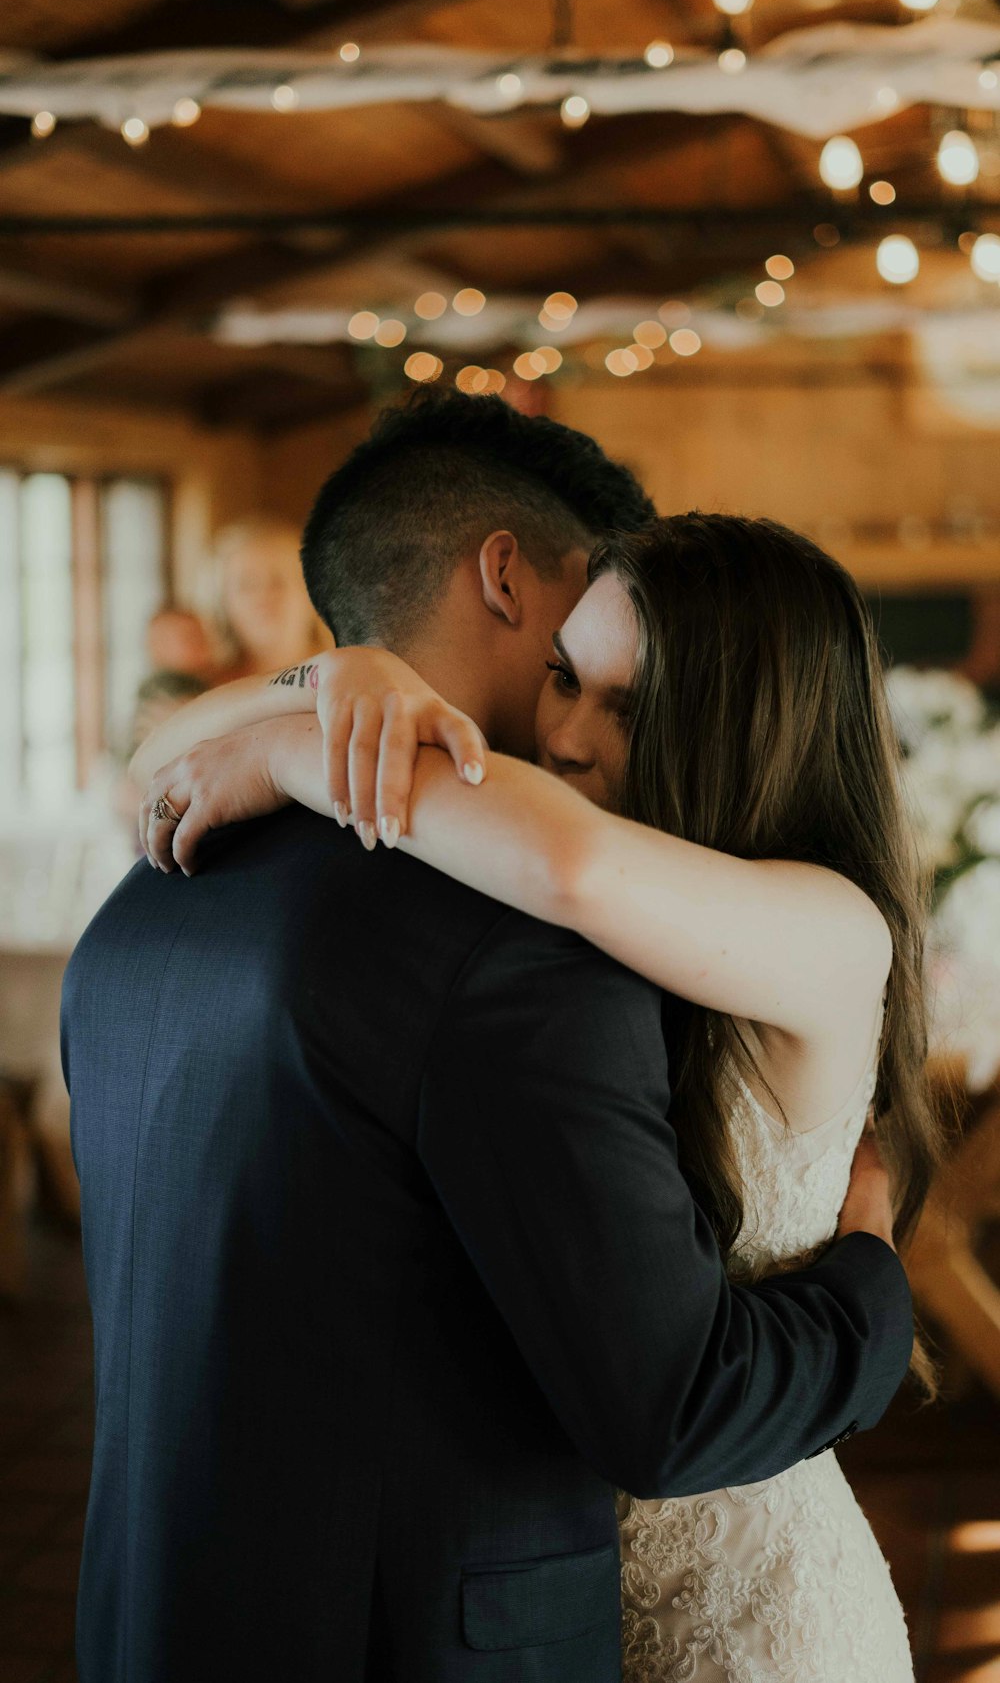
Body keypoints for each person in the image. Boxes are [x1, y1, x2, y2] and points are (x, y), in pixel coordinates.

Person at [66, 393, 914, 1683]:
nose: (565, 732)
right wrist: (319, 689)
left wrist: (302, 739)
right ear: (508, 581)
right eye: (566, 673)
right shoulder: (528, 930)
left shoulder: (145, 910)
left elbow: (568, 861)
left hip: (737, 1602)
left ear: (737, 726)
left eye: (624, 702)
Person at [211, 515, 325, 681]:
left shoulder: (352, 678)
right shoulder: (200, 689)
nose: (263, 595)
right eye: (246, 584)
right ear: (223, 600)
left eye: (278, 580)